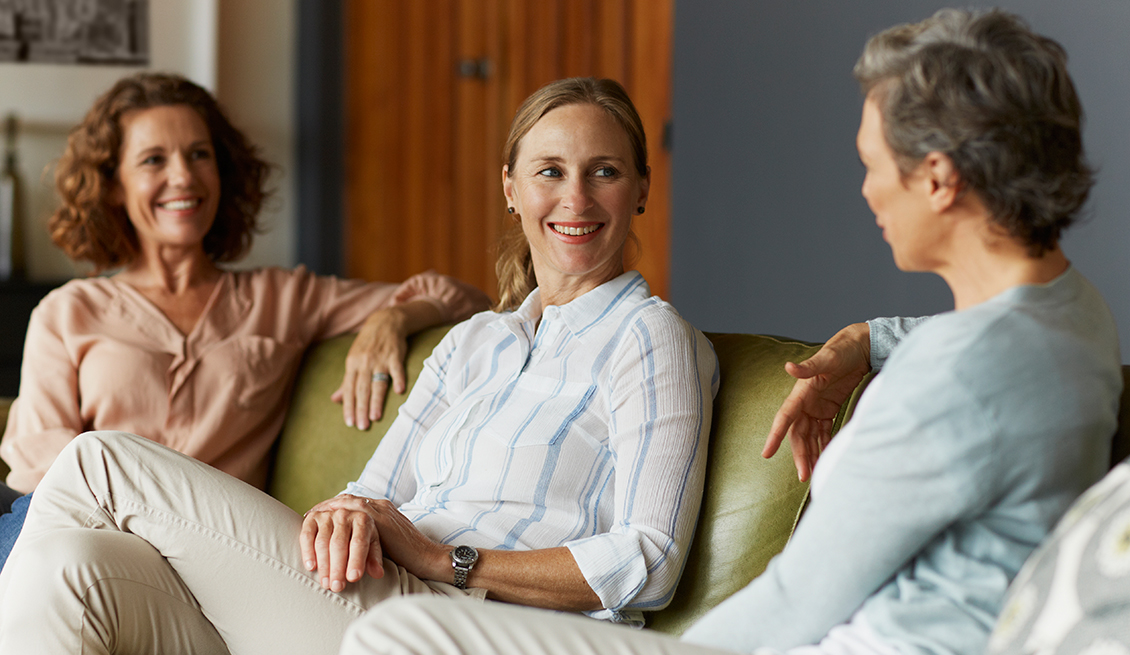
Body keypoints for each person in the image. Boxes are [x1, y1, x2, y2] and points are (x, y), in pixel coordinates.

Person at [328, 9, 1123, 655]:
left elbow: (790, 605)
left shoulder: (948, 383)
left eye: (874, 162)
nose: (867, 188)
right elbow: (993, 340)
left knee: (400, 632)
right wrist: (869, 339)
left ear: (940, 180)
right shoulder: (1071, 314)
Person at [0, 76, 718, 654]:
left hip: (461, 619)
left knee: (98, 463)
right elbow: (370, 491)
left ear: (643, 189)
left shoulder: (650, 337)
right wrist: (346, 514)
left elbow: (649, 561)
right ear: (511, 188)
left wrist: (449, 559)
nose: (576, 197)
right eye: (550, 171)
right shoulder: (476, 342)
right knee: (62, 569)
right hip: (362, 594)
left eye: (605, 172)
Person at [0, 73, 489, 563]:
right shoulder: (68, 311)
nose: (184, 177)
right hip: (80, 531)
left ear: (223, 173)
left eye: (199, 155)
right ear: (113, 188)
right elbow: (42, 460)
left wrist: (393, 320)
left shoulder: (282, 298)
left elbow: (460, 297)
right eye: (154, 160)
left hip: (209, 553)